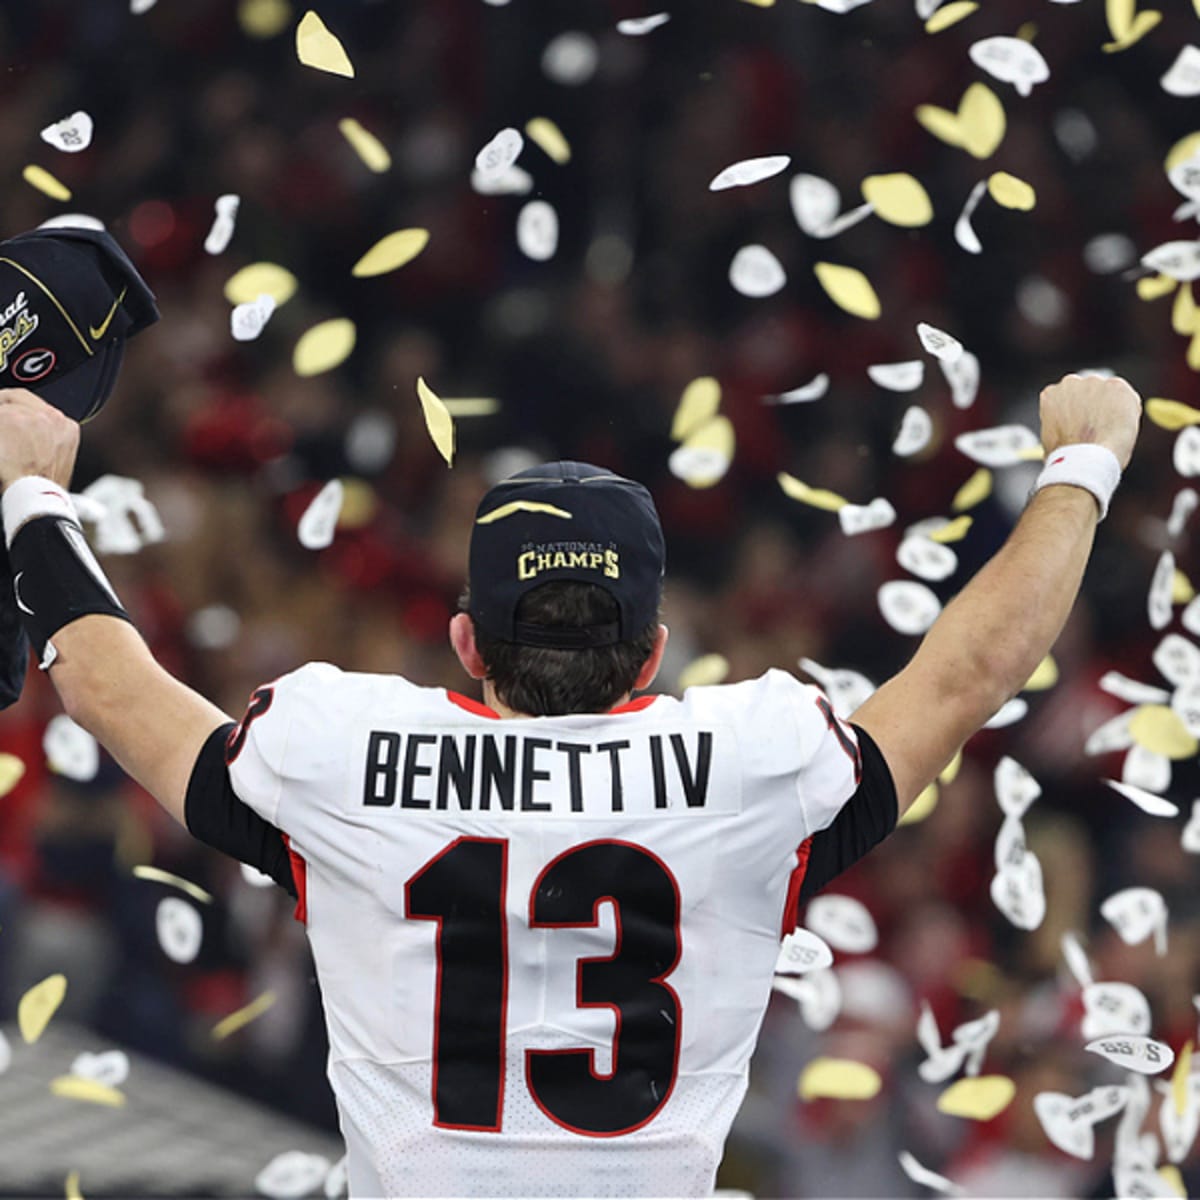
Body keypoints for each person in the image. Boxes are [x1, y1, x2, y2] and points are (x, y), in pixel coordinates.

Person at [0, 372, 1141, 1199]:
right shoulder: (759, 761)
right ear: (650, 658)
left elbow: (108, 685)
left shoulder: (336, 745)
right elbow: (969, 672)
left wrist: (32, 499)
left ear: (463, 642)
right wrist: (1083, 466)